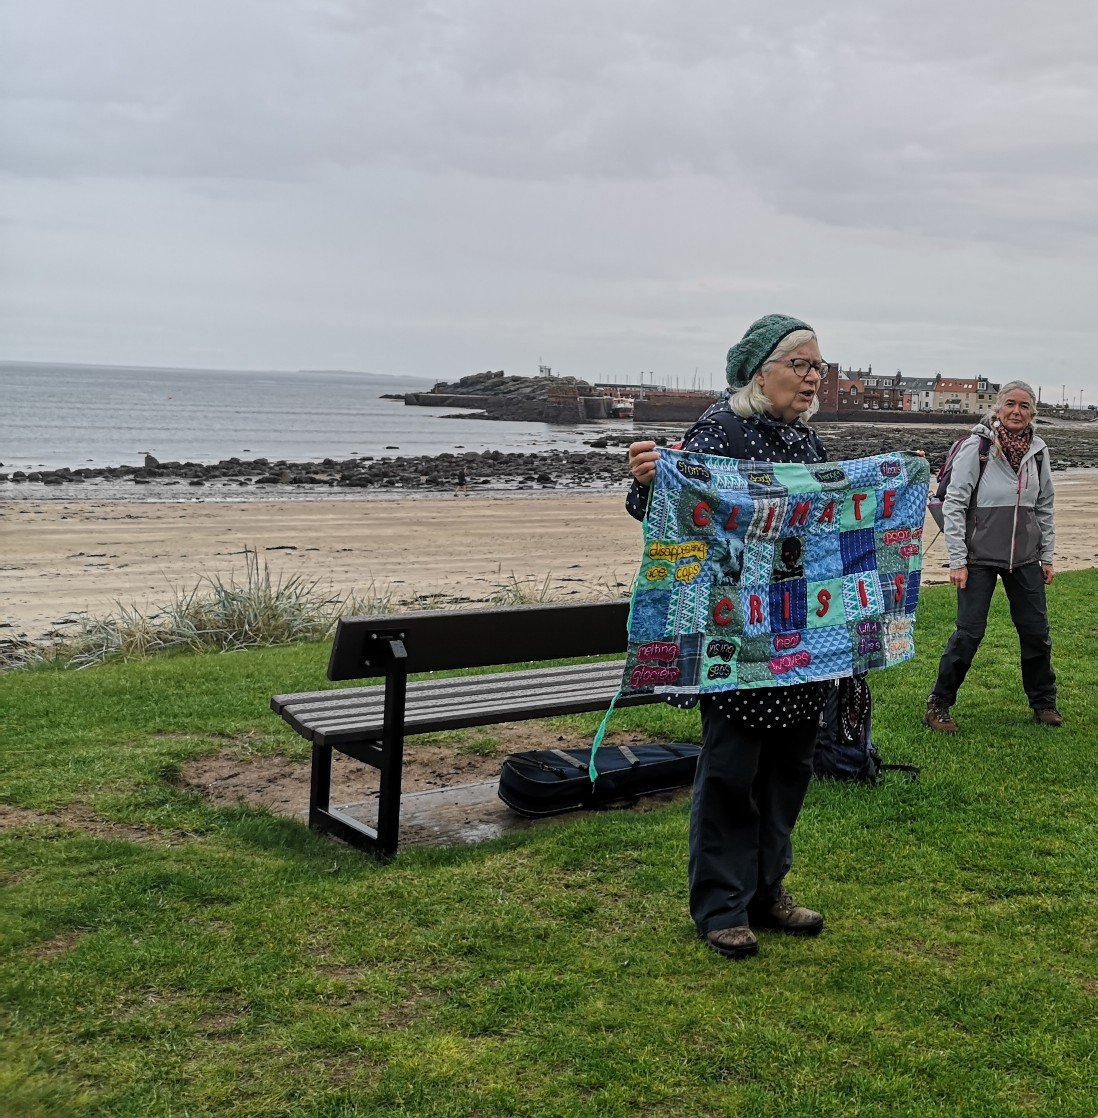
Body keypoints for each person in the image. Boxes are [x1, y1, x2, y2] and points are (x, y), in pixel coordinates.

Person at [625, 313, 830, 960]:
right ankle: (722, 906)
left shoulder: (808, 443)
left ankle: (768, 890)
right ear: (759, 373)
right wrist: (646, 480)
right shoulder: (720, 430)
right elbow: (667, 511)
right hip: (734, 634)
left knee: (789, 770)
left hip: (798, 630)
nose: (812, 377)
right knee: (732, 773)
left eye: (818, 366)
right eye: (800, 364)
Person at [924, 381, 1060, 732]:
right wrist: (957, 560)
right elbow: (955, 504)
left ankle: (1044, 703)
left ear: (1033, 412)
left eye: (1025, 406)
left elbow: (1044, 507)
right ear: (998, 408)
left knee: (1036, 632)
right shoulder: (978, 447)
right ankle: (939, 703)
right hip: (978, 557)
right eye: (1010, 404)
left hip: (1025, 557)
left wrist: (1047, 556)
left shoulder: (1039, 451)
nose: (1017, 411)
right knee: (969, 634)